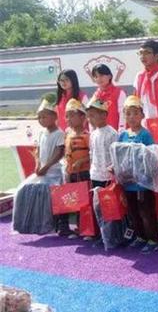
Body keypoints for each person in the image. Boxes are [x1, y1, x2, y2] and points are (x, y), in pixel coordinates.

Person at [117, 95, 158, 254]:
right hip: (128, 183)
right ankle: (140, 236)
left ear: (142, 115)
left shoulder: (145, 135)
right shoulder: (122, 135)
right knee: (133, 212)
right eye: (128, 113)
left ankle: (153, 239)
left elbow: (153, 155)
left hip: (143, 183)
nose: (132, 117)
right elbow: (118, 155)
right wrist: (114, 167)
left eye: (136, 113)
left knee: (146, 212)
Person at [85, 97, 118, 240]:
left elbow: (116, 155)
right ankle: (101, 234)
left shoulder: (112, 133)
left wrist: (113, 169)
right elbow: (91, 153)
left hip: (108, 177)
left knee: (109, 206)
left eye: (93, 115)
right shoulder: (93, 134)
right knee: (97, 205)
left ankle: (112, 235)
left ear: (104, 115)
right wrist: (91, 168)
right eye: (89, 116)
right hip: (95, 175)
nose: (90, 119)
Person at [57, 98, 90, 238]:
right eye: (66, 116)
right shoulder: (67, 134)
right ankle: (73, 227)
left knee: (85, 202)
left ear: (82, 117)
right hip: (70, 172)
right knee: (73, 200)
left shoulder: (87, 136)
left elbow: (93, 154)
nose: (68, 119)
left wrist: (82, 161)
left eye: (71, 115)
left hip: (83, 173)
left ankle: (86, 229)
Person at [133, 39, 158, 143]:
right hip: (142, 123)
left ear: (157, 56)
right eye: (140, 53)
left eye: (147, 53)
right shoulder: (139, 76)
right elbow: (135, 101)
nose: (143, 56)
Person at [90, 64, 126, 131]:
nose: (99, 79)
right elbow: (91, 116)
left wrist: (121, 130)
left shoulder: (119, 92)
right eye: (96, 76)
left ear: (109, 76)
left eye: (101, 75)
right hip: (99, 133)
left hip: (115, 133)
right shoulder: (96, 95)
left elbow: (123, 113)